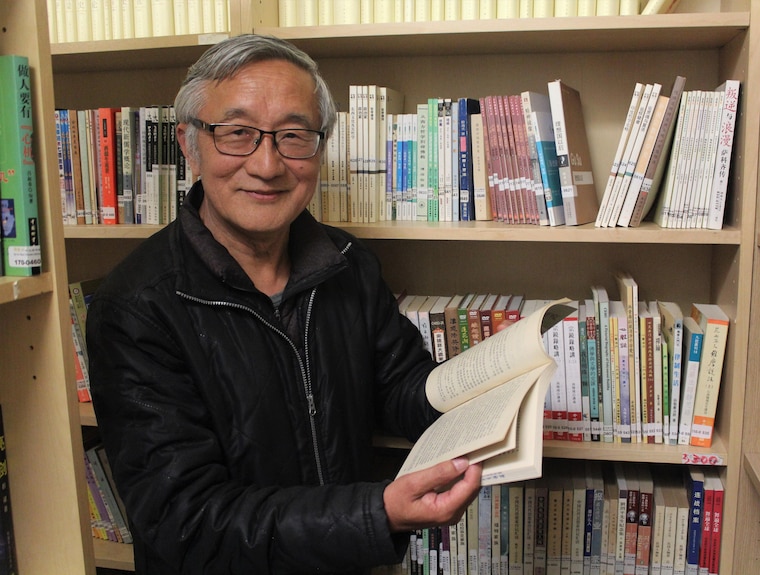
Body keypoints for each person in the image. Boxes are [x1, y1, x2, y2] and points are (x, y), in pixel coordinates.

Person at [86, 34, 482, 575]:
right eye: (238, 134)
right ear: (188, 143)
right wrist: (376, 514)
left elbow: (402, 388)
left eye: (293, 136)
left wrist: (487, 390)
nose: (268, 164)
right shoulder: (136, 307)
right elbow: (188, 518)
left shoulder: (347, 263)